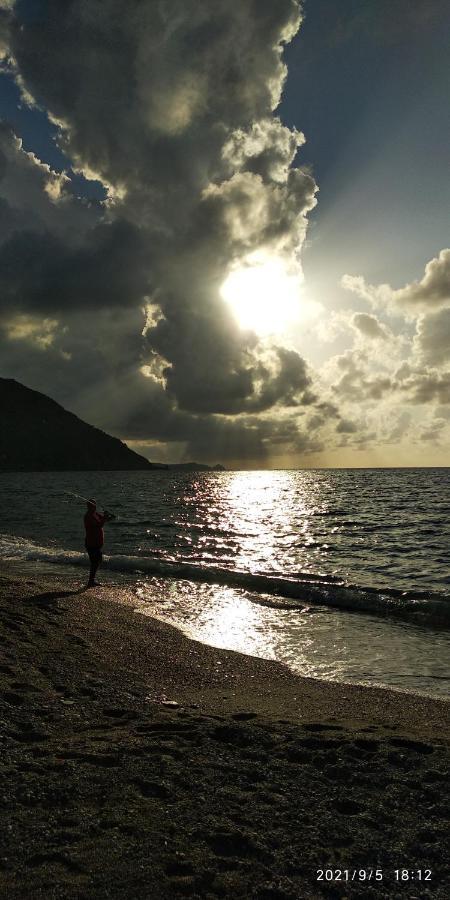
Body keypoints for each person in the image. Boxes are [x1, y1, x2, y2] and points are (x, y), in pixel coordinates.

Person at [84, 499, 115, 588]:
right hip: (91, 543)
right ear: (89, 506)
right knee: (95, 561)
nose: (94, 506)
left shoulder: (95, 514)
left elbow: (107, 519)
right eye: (92, 505)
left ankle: (92, 580)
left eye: (94, 505)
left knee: (97, 561)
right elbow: (99, 525)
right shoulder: (88, 516)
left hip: (97, 543)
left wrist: (109, 515)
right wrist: (105, 517)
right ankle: (91, 581)